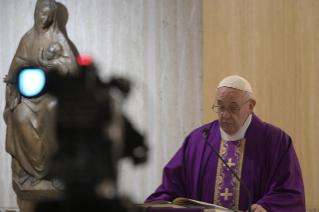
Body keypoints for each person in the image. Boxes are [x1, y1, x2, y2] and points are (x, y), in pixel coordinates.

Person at [145, 75, 306, 212]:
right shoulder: (199, 140)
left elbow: (289, 191)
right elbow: (172, 186)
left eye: (233, 108)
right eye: (220, 107)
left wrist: (267, 206)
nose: (225, 115)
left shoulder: (275, 140)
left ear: (250, 106)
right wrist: (156, 205)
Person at [3, 0, 77, 195]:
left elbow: (73, 70)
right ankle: (32, 173)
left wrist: (56, 66)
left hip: (51, 96)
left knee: (54, 112)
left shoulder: (58, 38)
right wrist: (14, 85)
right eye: (41, 14)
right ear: (36, 13)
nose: (45, 19)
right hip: (29, 96)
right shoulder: (27, 39)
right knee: (19, 116)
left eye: (49, 16)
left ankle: (55, 172)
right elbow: (16, 69)